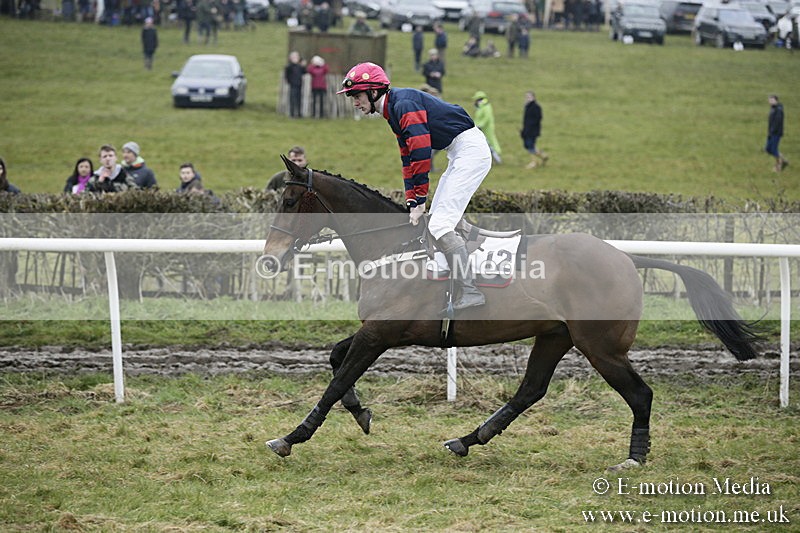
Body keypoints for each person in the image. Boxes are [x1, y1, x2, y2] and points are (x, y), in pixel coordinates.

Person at [337, 62, 491, 312]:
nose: (354, 102)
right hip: (459, 152)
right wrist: (413, 201)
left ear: (374, 91)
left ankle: (471, 290)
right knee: (436, 221)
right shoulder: (393, 109)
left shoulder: (403, 104)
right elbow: (407, 158)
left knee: (440, 224)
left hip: (470, 152)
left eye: (357, 95)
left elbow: (421, 154)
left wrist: (420, 198)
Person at [472, 91, 502, 164]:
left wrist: (480, 125)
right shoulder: (481, 107)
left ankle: (497, 158)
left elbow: (487, 118)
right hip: (480, 129)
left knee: (490, 142)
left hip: (486, 129)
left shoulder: (486, 107)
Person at [521, 90, 548, 169]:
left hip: (532, 131)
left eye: (529, 97)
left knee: (530, 146)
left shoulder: (536, 107)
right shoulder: (527, 107)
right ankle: (543, 156)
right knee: (528, 146)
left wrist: (531, 128)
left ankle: (534, 162)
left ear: (533, 97)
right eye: (526, 97)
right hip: (527, 130)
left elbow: (538, 119)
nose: (528, 98)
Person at [766, 94, 788, 172]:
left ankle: (778, 166)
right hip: (771, 132)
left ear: (776, 100)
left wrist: (772, 132)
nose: (770, 101)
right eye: (769, 100)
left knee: (774, 149)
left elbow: (777, 123)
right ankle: (783, 160)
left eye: (772, 100)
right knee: (768, 149)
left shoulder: (778, 110)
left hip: (776, 133)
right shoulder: (773, 108)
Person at [285, 51, 306, 118]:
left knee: (299, 99)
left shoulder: (299, 66)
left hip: (299, 84)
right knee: (293, 99)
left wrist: (303, 65)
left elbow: (304, 72)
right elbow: (287, 75)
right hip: (293, 84)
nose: (295, 59)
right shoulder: (289, 66)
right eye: (294, 57)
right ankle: (292, 114)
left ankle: (299, 113)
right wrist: (289, 81)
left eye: (296, 57)